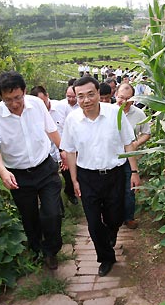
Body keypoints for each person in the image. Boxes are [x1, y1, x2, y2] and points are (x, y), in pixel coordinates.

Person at [60, 76, 140, 277]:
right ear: (76, 98)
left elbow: (128, 143)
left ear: (99, 94)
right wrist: (75, 180)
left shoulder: (115, 113)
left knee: (115, 217)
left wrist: (134, 172)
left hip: (115, 174)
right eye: (81, 97)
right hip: (88, 177)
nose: (86, 100)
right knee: (94, 223)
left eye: (90, 95)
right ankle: (106, 258)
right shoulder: (72, 120)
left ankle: (111, 233)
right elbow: (70, 151)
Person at [0, 71, 63, 270]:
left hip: (45, 167)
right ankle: (36, 250)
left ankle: (51, 250)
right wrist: (2, 172)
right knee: (29, 217)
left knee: (52, 214)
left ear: (24, 91)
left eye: (17, 97)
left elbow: (51, 130)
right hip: (18, 174)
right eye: (8, 100)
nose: (14, 103)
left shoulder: (36, 104)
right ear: (1, 97)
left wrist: (64, 152)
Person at [115, 83, 151, 229]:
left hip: (130, 157)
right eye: (121, 97)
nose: (124, 101)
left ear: (134, 99)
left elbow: (147, 133)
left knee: (130, 187)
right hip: (112, 158)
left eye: (128, 99)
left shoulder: (139, 114)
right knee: (113, 188)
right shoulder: (108, 112)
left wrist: (136, 143)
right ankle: (114, 217)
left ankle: (129, 217)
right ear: (115, 95)